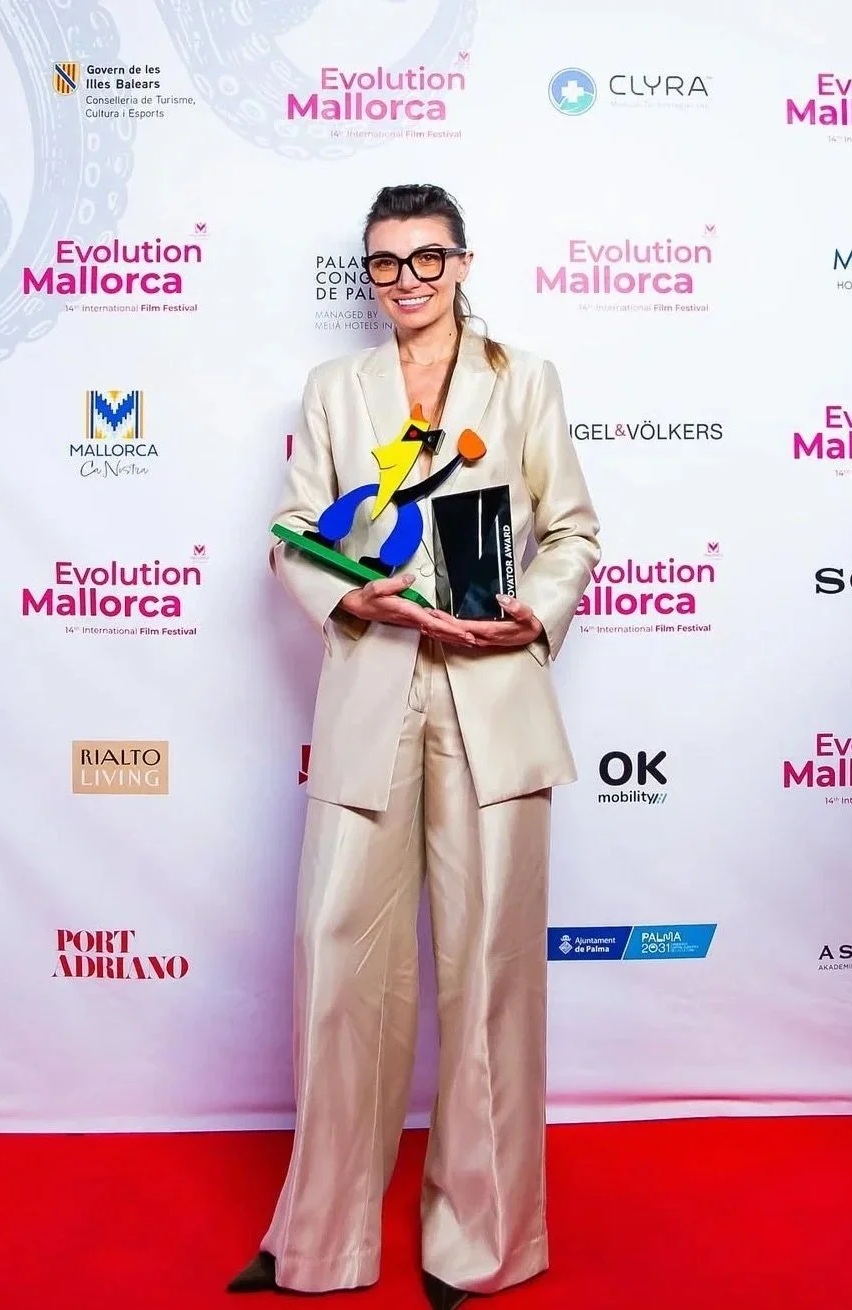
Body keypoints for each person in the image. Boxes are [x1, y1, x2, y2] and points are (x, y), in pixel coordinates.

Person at [228, 184, 600, 1310]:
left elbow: (571, 529)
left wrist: (535, 611)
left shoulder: (522, 379)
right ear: (369, 275)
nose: (405, 280)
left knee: (490, 973)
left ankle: (480, 1241)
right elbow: (293, 534)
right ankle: (321, 1237)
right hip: (373, 688)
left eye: (425, 258)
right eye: (384, 263)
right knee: (337, 960)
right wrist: (350, 598)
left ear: (461, 262)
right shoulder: (333, 389)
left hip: (492, 695)